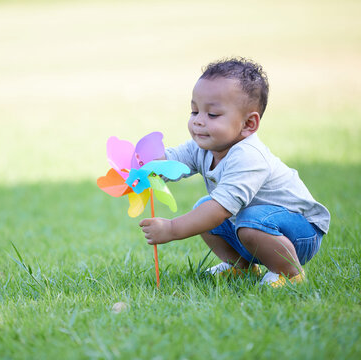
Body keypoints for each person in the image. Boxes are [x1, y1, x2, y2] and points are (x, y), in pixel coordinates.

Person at [139, 58, 330, 288]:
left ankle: (290, 273)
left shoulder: (248, 157)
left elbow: (220, 209)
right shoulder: (204, 146)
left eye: (213, 115)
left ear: (249, 124)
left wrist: (171, 229)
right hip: (255, 226)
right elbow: (172, 162)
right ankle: (241, 268)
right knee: (204, 207)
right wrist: (147, 166)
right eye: (195, 111)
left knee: (230, 216)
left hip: (298, 233)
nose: (198, 121)